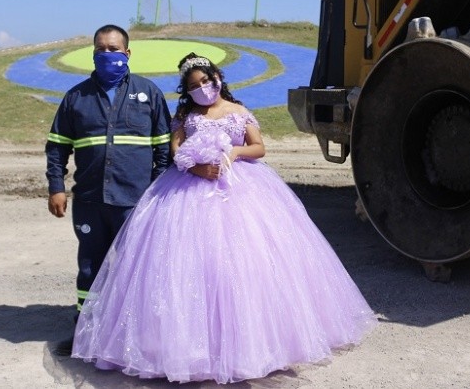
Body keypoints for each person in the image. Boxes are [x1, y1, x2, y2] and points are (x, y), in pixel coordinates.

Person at [71, 53, 377, 384]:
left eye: (206, 81)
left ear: (218, 77)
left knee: (244, 263)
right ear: (186, 91)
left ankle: (252, 346)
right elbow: (176, 150)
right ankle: (181, 348)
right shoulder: (187, 114)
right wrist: (197, 165)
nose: (202, 88)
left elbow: (258, 147)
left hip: (241, 188)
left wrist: (233, 152)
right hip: (188, 190)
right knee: (185, 266)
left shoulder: (238, 111)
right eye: (193, 86)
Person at [45, 24, 172, 356]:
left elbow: (164, 149)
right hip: (90, 200)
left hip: (136, 201)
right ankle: (85, 335)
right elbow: (57, 147)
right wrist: (56, 187)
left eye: (114, 49)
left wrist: (158, 191)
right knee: (91, 267)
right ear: (94, 52)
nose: (108, 54)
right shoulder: (76, 97)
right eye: (101, 49)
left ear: (127, 53)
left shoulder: (149, 93)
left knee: (137, 269)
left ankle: (137, 339)